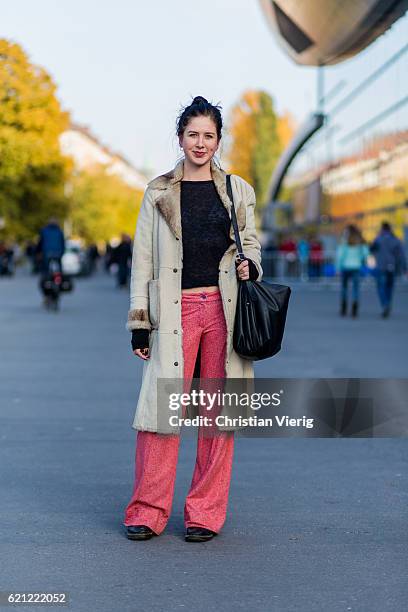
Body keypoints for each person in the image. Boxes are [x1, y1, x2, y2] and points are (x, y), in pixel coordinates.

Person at [123, 96, 262, 543]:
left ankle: (205, 513)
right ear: (180, 138)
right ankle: (148, 510)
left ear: (219, 140)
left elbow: (253, 244)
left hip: (223, 309)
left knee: (218, 414)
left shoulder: (238, 190)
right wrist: (139, 322)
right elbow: (142, 260)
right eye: (192, 134)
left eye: (209, 136)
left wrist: (250, 265)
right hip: (174, 311)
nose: (200, 143)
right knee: (162, 412)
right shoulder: (158, 192)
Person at [370, 221, 407, 318]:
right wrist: (404, 267)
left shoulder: (378, 239)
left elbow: (371, 249)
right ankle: (388, 303)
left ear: (382, 229)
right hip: (392, 266)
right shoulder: (396, 240)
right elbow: (401, 255)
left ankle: (385, 304)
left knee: (380, 287)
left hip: (380, 266)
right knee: (389, 287)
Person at [336, 224, 369, 317]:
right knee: (356, 289)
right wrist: (361, 260)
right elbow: (365, 254)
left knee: (344, 288)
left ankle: (344, 307)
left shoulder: (344, 241)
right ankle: (355, 305)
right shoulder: (360, 242)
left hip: (345, 267)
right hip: (356, 267)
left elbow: (340, 256)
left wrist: (337, 268)